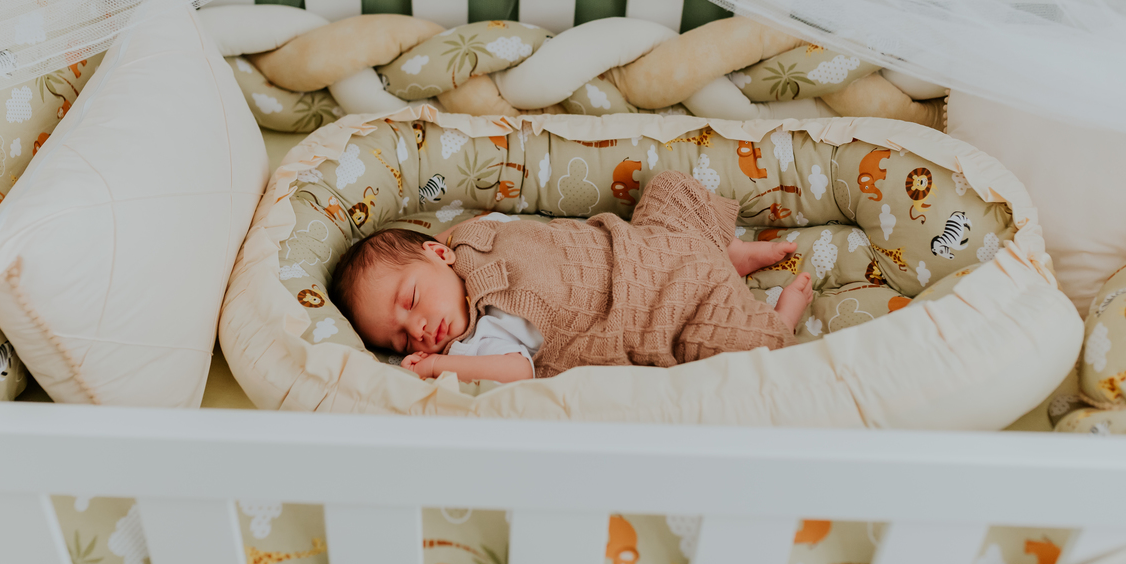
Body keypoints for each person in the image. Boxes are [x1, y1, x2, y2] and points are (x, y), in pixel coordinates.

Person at [328, 171, 813, 383]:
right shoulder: (472, 346)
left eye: (410, 299)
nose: (415, 329)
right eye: (397, 340)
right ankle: (778, 322)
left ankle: (726, 253)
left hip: (637, 245)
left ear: (439, 254)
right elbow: (519, 371)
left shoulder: (469, 243)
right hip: (656, 306)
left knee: (671, 190)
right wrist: (438, 368)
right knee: (734, 347)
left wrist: (450, 243)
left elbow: (472, 230)